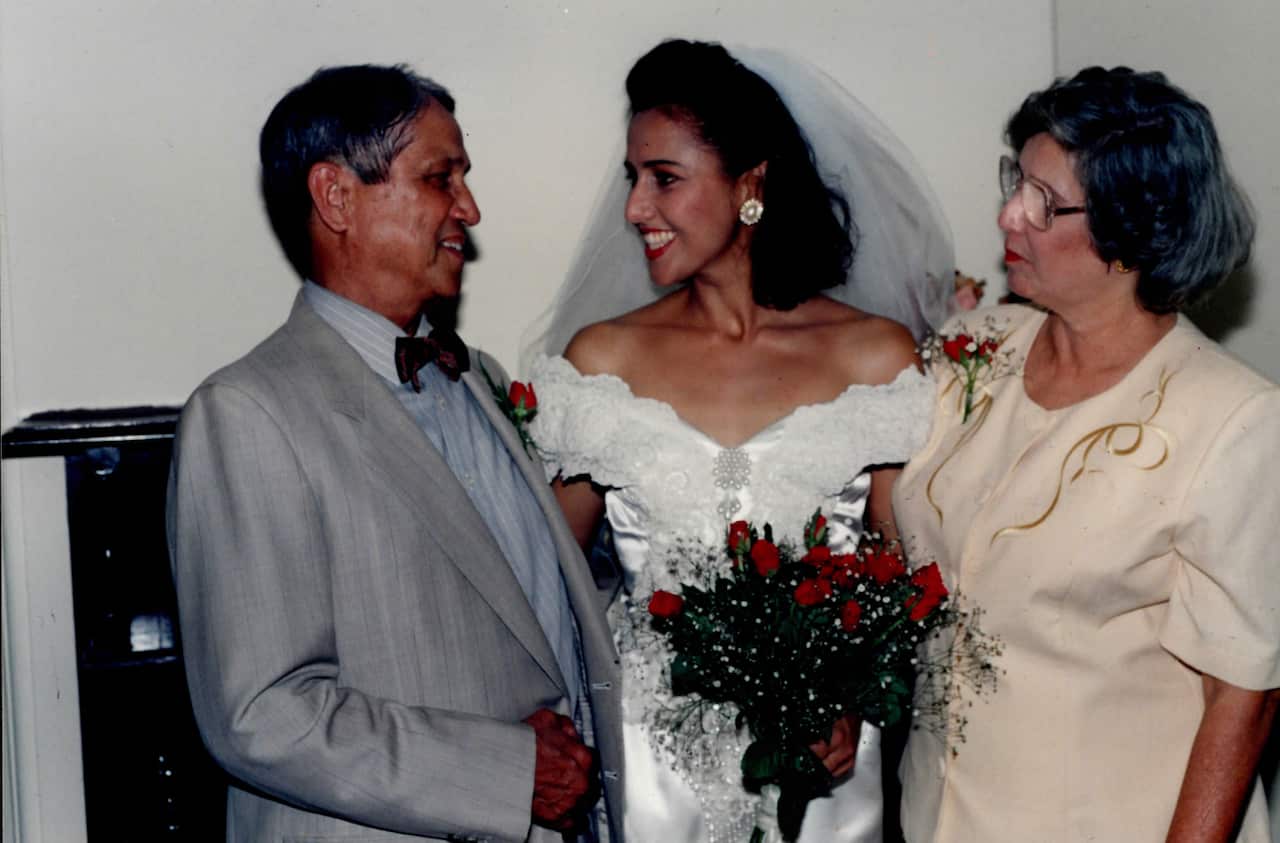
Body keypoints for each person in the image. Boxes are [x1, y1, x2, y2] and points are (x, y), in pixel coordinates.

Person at [167, 64, 624, 842]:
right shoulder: (246, 413)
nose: (469, 209)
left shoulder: (478, 379)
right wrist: (511, 774)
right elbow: (260, 713)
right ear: (336, 197)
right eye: (440, 178)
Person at [521, 40, 955, 842]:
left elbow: (908, 586)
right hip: (650, 773)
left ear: (750, 184)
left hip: (823, 775)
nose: (635, 210)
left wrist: (852, 699)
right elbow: (540, 585)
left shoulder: (875, 359)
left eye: (665, 178)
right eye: (632, 179)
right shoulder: (600, 363)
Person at [893, 66, 1280, 842]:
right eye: (1016, 182)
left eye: (1044, 201)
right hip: (935, 816)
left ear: (1134, 230)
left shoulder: (1232, 419)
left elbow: (1242, 693)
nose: (1009, 215)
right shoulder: (980, 347)